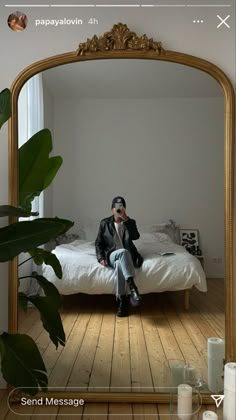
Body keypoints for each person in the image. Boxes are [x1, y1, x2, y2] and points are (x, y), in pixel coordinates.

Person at [95, 196, 143, 317]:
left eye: (121, 207)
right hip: (112, 254)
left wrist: (125, 219)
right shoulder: (104, 223)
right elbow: (98, 243)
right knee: (122, 252)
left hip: (125, 257)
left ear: (125, 208)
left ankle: (122, 301)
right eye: (116, 207)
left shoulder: (130, 222)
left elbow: (136, 236)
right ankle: (133, 288)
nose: (118, 209)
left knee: (120, 264)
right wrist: (101, 258)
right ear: (112, 209)